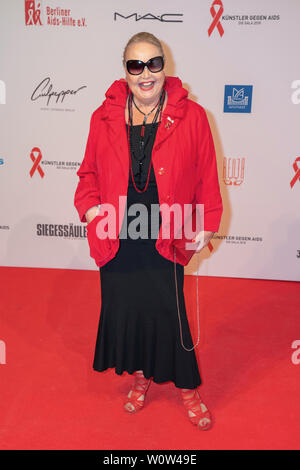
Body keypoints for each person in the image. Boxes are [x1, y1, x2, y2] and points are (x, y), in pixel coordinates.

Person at [74, 32, 223, 430]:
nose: (145, 73)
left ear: (165, 66)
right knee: (129, 310)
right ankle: (141, 376)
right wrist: (90, 211)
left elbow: (208, 174)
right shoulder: (102, 116)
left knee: (170, 313)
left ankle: (188, 388)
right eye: (135, 65)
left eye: (153, 63)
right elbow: (87, 173)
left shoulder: (192, 116)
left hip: (165, 231)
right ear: (125, 71)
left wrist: (207, 223)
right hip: (117, 236)